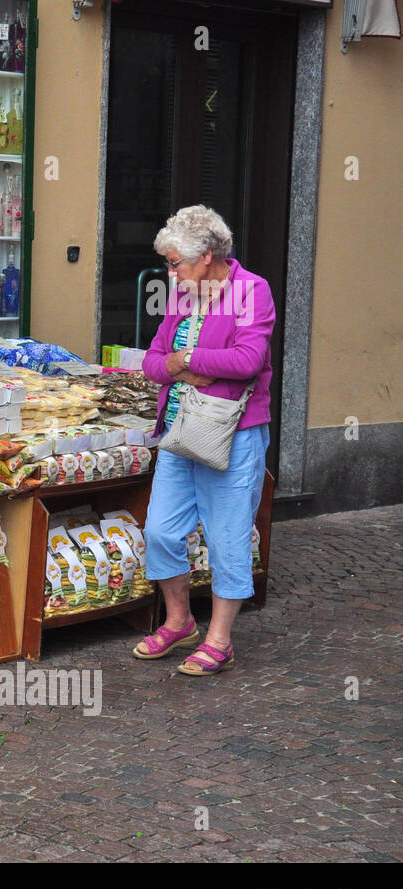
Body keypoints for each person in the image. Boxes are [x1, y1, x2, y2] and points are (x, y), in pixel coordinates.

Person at [135, 205, 274, 675]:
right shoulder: (181, 296)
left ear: (208, 255)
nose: (170, 273)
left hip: (232, 436)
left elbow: (249, 359)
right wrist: (178, 366)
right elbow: (153, 363)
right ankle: (179, 622)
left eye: (175, 263)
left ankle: (220, 639)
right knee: (159, 531)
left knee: (227, 538)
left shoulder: (252, 291)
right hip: (179, 432)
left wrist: (189, 356)